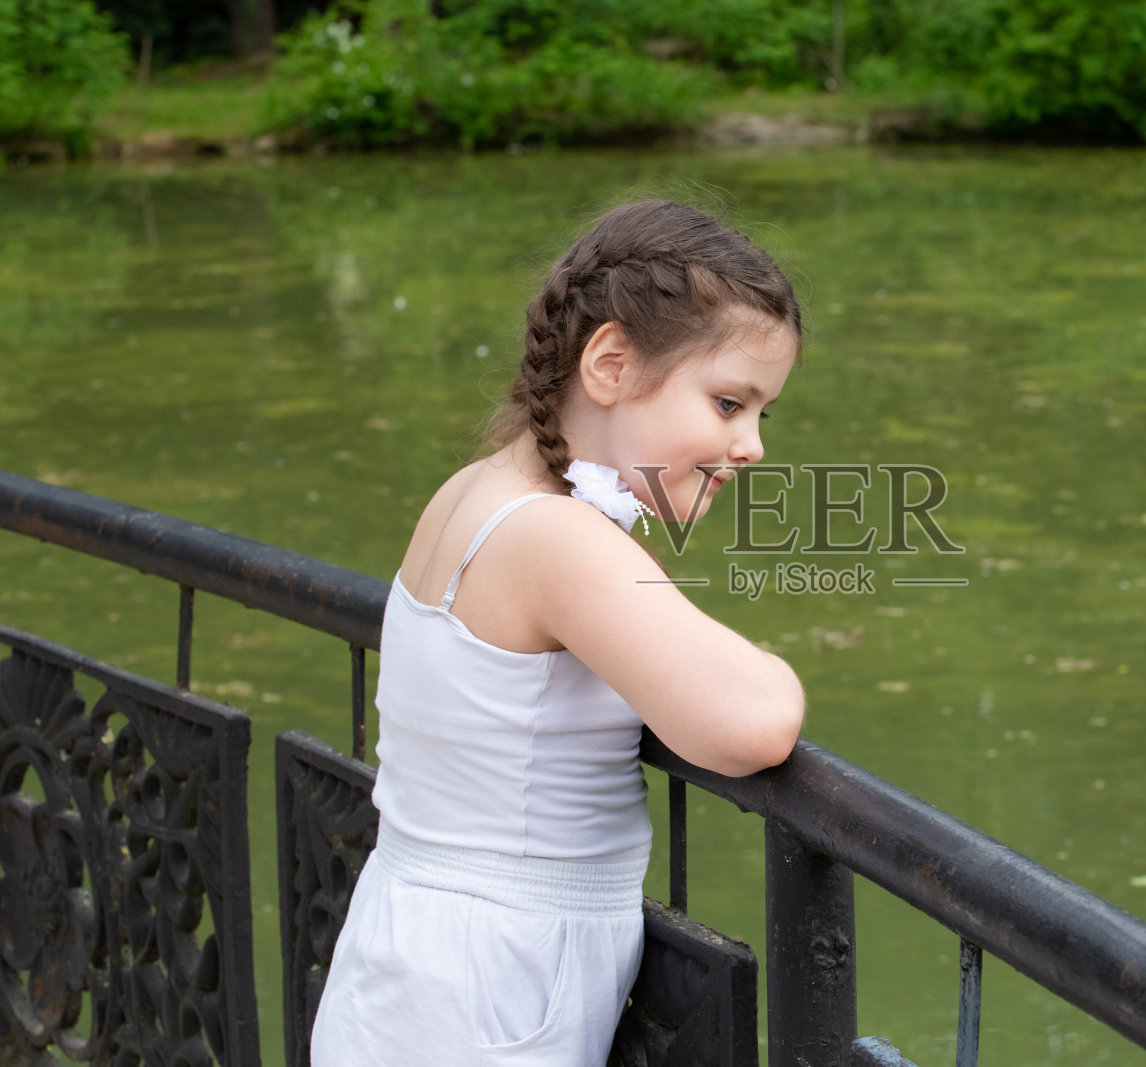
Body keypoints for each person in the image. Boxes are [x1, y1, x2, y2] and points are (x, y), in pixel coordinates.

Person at [309, 200, 806, 1066]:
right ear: (609, 362)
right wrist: (775, 669)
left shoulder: (477, 490)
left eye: (761, 413)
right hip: (490, 995)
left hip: (414, 951)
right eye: (729, 402)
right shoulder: (555, 536)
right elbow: (752, 723)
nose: (751, 444)